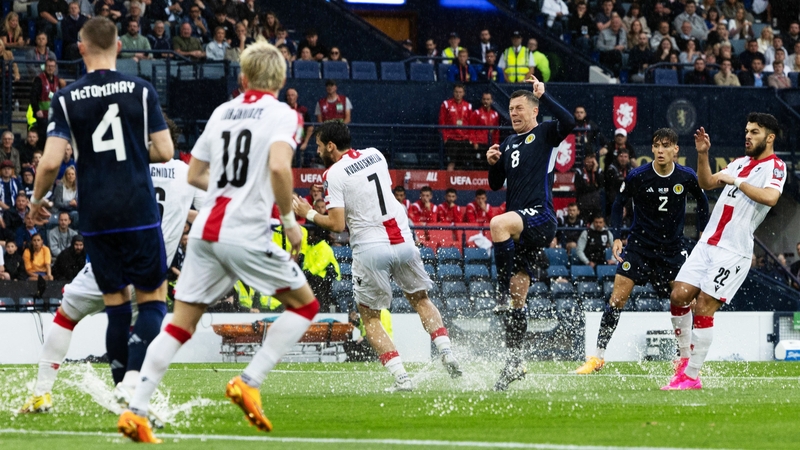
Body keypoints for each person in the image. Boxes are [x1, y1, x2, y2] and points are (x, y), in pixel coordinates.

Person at [117, 42, 319, 443]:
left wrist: (232, 187)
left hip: (207, 231)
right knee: (305, 305)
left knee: (179, 325)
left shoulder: (222, 112)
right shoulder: (284, 114)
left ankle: (135, 410)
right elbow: (279, 165)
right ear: (280, 80)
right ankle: (249, 380)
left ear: (242, 78)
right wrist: (289, 219)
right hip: (244, 232)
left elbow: (194, 176)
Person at [25, 17, 174, 417]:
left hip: (97, 215)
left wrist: (38, 199)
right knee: (153, 302)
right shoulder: (140, 91)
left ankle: (122, 391)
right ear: (120, 48)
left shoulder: (67, 97)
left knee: (115, 305)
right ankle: (129, 383)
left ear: (81, 48)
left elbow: (52, 160)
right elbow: (165, 151)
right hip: (139, 210)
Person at [20, 121, 202, 415]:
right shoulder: (186, 173)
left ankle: (41, 394)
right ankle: (131, 393)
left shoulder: (123, 165)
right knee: (138, 328)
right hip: (151, 273)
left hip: (116, 264)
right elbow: (202, 211)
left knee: (67, 316)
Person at [293, 121, 461, 391]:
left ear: (331, 146)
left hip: (371, 247)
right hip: (403, 239)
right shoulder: (377, 154)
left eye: (319, 145)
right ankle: (447, 351)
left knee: (369, 316)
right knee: (420, 298)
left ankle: (401, 378)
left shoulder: (333, 174)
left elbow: (337, 225)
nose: (318, 150)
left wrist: (308, 213)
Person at [664, 114, 786, 390]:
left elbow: (771, 197)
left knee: (705, 306)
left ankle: (692, 376)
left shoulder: (775, 167)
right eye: (746, 131)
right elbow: (706, 183)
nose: (748, 136)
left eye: (754, 132)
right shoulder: (739, 163)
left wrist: (738, 182)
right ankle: (684, 360)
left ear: (769, 138)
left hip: (734, 250)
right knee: (679, 295)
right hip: (708, 243)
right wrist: (703, 154)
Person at [574, 128, 709, 374]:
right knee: (617, 298)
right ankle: (598, 357)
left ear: (675, 150)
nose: (660, 150)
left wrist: (702, 232)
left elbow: (702, 201)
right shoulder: (638, 176)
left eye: (666, 146)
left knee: (683, 299)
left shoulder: (686, 176)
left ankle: (684, 358)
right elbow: (617, 204)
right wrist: (616, 236)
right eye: (656, 145)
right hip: (639, 247)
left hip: (672, 249)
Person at [487, 76, 575, 391]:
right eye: (511, 109)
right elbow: (496, 185)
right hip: (521, 226)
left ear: (534, 111)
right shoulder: (509, 142)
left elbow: (569, 121)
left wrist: (544, 94)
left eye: (520, 108)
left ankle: (497, 293)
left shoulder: (546, 132)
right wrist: (493, 164)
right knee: (517, 298)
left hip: (541, 216)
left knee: (498, 224)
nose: (513, 113)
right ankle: (514, 362)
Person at [439, 83, 473, 171]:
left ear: (463, 93)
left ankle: (459, 184)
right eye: (456, 92)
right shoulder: (446, 104)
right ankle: (448, 184)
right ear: (453, 92)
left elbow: (471, 123)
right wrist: (445, 137)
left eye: (460, 92)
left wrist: (470, 138)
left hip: (464, 138)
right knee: (451, 162)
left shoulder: (468, 106)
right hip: (451, 138)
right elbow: (442, 122)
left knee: (462, 164)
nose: (458, 94)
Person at [30, 57, 60, 140]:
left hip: (53, 115)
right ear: (45, 67)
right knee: (43, 138)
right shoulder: (39, 79)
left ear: (55, 67)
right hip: (42, 116)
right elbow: (33, 96)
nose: (50, 68)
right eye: (48, 66)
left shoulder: (57, 80)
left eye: (52, 66)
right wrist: (37, 110)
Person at [471, 92, 500, 168]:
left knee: (489, 165)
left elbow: (496, 131)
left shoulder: (495, 114)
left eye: (488, 99)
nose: (486, 101)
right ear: (481, 100)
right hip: (480, 143)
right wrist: (474, 142)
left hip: (490, 144)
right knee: (479, 164)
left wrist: (495, 143)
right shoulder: (477, 113)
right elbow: (472, 129)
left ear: (491, 100)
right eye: (484, 99)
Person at [573, 152, 604, 222]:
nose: (590, 164)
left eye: (592, 162)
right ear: (584, 161)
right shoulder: (579, 171)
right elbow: (580, 187)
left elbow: (601, 184)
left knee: (596, 225)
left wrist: (595, 171)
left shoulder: (598, 171)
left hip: (595, 205)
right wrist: (594, 186)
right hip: (583, 205)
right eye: (588, 161)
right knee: (583, 225)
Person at [604, 148, 633, 214]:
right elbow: (612, 186)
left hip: (627, 197)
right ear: (617, 157)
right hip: (614, 196)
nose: (623, 159)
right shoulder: (611, 169)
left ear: (628, 158)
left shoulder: (631, 169)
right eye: (621, 156)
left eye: (625, 157)